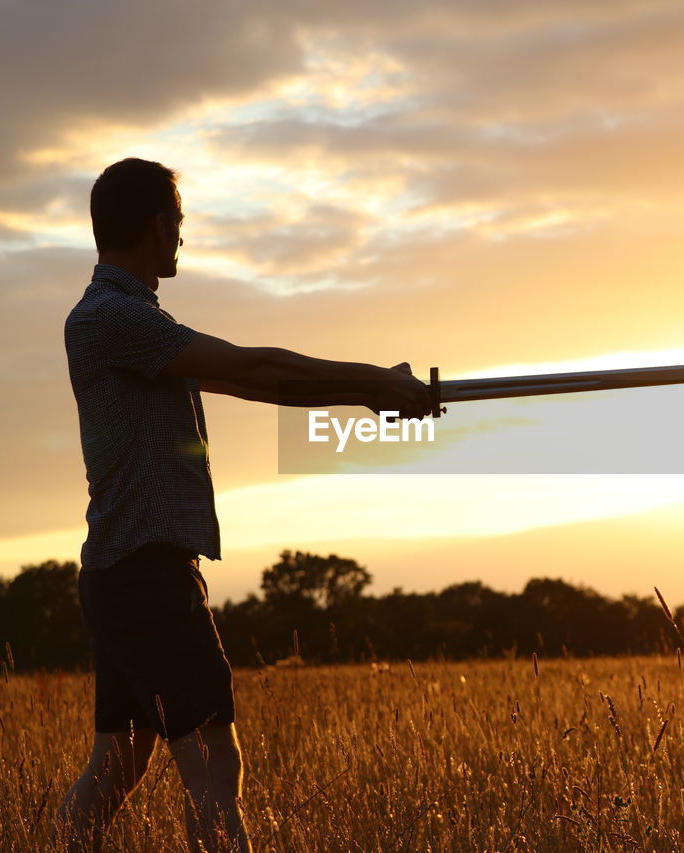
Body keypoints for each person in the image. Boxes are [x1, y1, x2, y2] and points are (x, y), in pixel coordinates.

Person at [55, 158, 430, 852]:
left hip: (125, 573)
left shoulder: (132, 321)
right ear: (157, 224)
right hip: (146, 574)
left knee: (120, 758)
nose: (182, 239)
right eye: (179, 222)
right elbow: (252, 366)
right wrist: (373, 377)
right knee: (215, 763)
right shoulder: (112, 319)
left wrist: (368, 393)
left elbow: (261, 386)